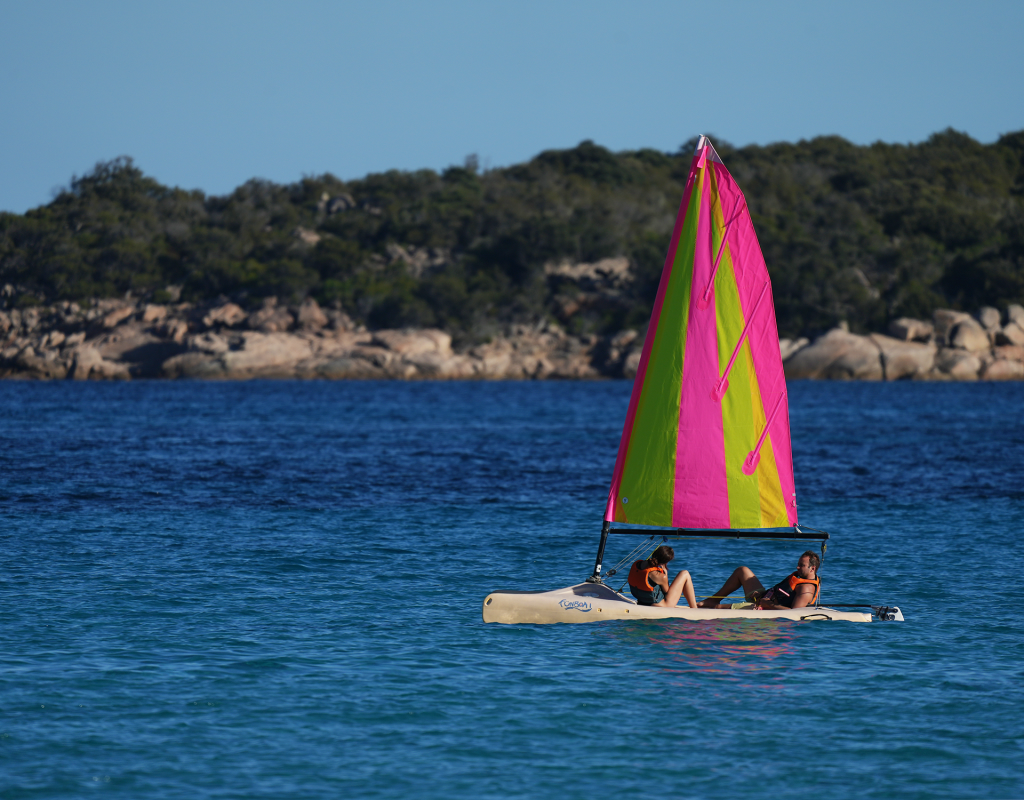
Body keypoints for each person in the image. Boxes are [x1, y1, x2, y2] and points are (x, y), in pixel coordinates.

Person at [697, 551, 821, 610]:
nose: (797, 567)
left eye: (801, 565)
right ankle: (712, 600)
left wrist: (767, 604)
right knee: (742, 571)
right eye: (798, 564)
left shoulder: (807, 589)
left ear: (812, 568)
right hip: (764, 598)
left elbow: (793, 613)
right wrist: (763, 594)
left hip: (763, 607)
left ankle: (713, 605)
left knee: (718, 608)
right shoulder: (800, 578)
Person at [627, 545, 698, 608]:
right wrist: (665, 574)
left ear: (654, 553)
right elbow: (667, 593)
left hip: (641, 601)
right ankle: (694, 608)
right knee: (685, 573)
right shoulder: (659, 576)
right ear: (665, 562)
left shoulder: (637, 564)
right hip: (661, 605)